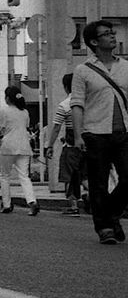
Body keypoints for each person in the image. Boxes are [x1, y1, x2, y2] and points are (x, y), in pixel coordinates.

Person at [70, 19, 128, 245]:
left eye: (113, 33)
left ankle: (111, 214)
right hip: (95, 133)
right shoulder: (83, 70)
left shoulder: (125, 66)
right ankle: (104, 227)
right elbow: (77, 104)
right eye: (106, 34)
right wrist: (77, 136)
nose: (113, 36)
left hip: (123, 132)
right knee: (98, 183)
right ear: (94, 41)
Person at [0, 85, 39, 216]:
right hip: (24, 146)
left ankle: (6, 204)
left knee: (5, 176)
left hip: (8, 146)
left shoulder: (4, 111)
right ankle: (32, 201)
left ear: (8, 98)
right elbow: (25, 127)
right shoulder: (25, 112)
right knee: (24, 176)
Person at [43, 74, 83, 216]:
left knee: (70, 175)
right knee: (86, 176)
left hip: (71, 147)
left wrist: (49, 145)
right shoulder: (88, 102)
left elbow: (56, 128)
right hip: (89, 144)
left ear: (66, 87)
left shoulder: (65, 105)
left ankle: (73, 205)